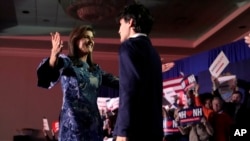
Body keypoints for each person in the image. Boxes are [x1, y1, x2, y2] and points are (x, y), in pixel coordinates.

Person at [36, 25, 119, 141]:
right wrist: (54, 55)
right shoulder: (68, 63)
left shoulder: (96, 70)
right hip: (73, 129)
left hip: (93, 129)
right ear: (75, 41)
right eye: (86, 37)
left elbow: (118, 82)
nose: (90, 41)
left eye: (92, 38)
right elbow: (48, 73)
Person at [113, 3, 163, 141]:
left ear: (131, 22)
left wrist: (122, 132)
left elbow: (128, 90)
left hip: (134, 131)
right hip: (154, 130)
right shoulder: (154, 53)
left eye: (121, 24)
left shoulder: (128, 47)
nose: (119, 30)